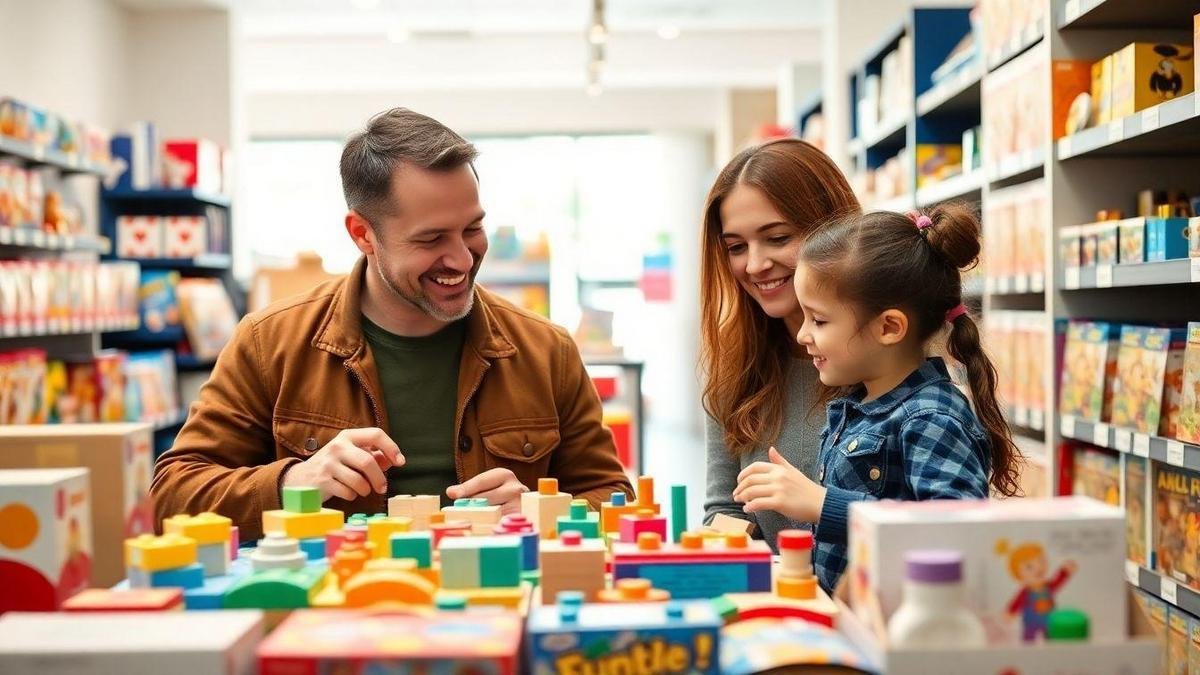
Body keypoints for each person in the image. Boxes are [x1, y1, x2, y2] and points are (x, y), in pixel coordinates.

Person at [152, 107, 632, 540]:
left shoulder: (545, 349)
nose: (462, 258)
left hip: (496, 613)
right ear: (363, 234)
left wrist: (541, 510)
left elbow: (613, 495)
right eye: (431, 239)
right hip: (336, 618)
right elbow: (173, 496)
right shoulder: (269, 342)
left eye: (472, 228)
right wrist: (293, 482)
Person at [732, 204, 1022, 591]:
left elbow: (955, 536)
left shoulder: (932, 418)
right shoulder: (857, 406)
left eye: (818, 320)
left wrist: (822, 503)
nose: (803, 335)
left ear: (888, 327)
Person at [700, 138, 861, 550]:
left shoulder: (886, 356)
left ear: (832, 233)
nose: (754, 265)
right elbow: (727, 510)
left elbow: (934, 520)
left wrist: (821, 504)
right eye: (736, 247)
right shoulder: (735, 366)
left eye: (776, 238)